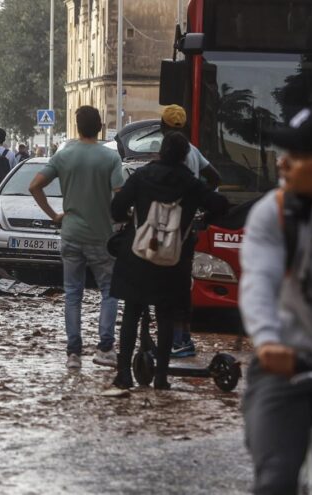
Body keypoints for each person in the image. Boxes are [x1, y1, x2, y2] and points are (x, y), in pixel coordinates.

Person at [109, 132, 228, 389]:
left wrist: (132, 217)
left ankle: (124, 375)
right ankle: (161, 378)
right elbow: (220, 204)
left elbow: (116, 207)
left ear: (160, 151)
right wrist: (198, 220)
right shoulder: (190, 184)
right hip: (173, 261)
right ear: (186, 156)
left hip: (137, 257)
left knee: (131, 312)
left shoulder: (141, 176)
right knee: (166, 315)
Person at [240, 107, 312, 494]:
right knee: (275, 480)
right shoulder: (273, 213)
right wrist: (267, 340)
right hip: (287, 362)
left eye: (299, 154)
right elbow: (258, 280)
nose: (283, 163)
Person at [29, 106, 124, 369]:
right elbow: (121, 193)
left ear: (77, 127)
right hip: (101, 235)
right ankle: (105, 348)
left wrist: (54, 215)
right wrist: (119, 219)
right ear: (101, 127)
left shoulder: (64, 155)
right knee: (109, 290)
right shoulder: (110, 158)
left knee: (72, 293)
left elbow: (34, 185)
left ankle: (73, 354)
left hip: (69, 232)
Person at [160, 105, 224, 358]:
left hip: (169, 230)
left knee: (168, 286)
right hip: (188, 230)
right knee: (182, 284)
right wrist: (202, 206)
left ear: (162, 127)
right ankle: (182, 338)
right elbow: (215, 177)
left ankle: (175, 340)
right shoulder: (194, 152)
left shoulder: (172, 156)